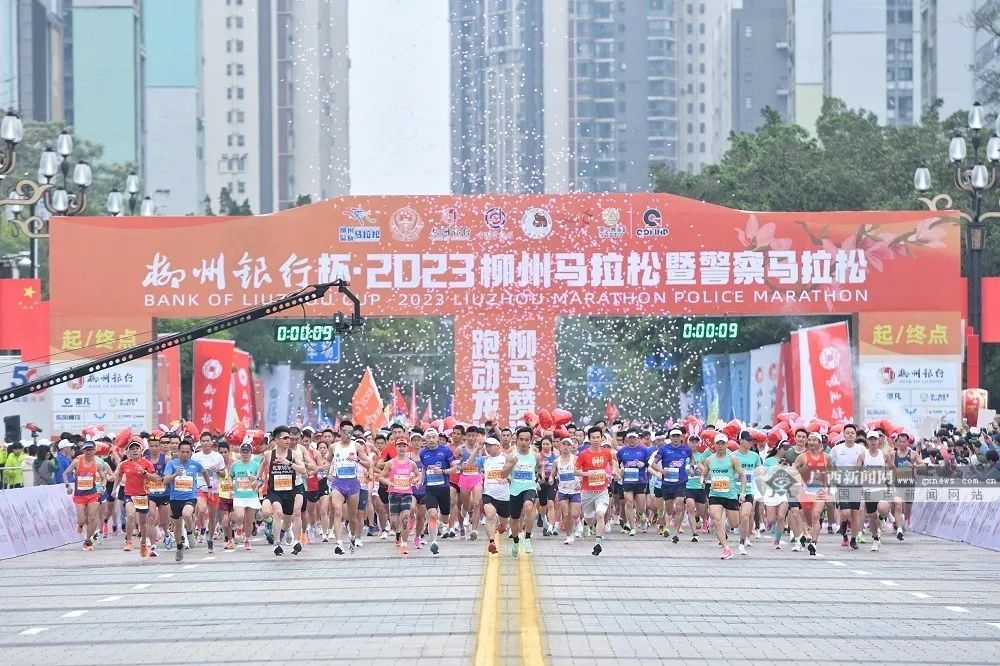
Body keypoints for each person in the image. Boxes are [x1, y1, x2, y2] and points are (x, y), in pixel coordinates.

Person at [259, 426, 310, 556]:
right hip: (274, 491)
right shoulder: (269, 454)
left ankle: (285, 532)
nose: (288, 440)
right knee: (277, 512)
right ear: (277, 440)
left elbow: (303, 470)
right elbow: (263, 464)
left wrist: (288, 463)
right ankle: (277, 544)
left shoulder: (294, 455)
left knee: (287, 522)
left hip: (290, 492)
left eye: (289, 438)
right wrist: (257, 479)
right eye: (285, 438)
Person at [162, 440, 212, 562]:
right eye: (182, 452)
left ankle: (190, 533)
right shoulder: (172, 464)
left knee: (186, 514)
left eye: (187, 452)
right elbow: (165, 481)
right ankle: (179, 547)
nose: (185, 454)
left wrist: (209, 486)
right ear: (178, 452)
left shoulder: (195, 464)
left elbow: (205, 472)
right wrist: (175, 474)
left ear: (191, 453)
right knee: (177, 526)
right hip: (175, 498)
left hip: (190, 496)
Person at [328, 425, 373, 554]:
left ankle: (353, 537)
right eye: (345, 432)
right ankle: (339, 543)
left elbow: (368, 464)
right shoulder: (333, 447)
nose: (348, 434)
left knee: (353, 518)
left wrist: (357, 459)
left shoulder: (356, 446)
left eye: (350, 432)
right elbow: (328, 461)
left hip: (353, 484)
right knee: (337, 511)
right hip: (338, 483)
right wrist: (329, 472)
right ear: (340, 432)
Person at [576, 426, 620, 556]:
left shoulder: (607, 453)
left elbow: (612, 464)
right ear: (589, 439)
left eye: (598, 437)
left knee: (600, 515)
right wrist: (587, 474)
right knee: (590, 519)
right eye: (593, 437)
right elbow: (575, 470)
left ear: (602, 438)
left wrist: (614, 472)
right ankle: (585, 523)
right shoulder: (583, 454)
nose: (596, 440)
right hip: (587, 492)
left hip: (602, 490)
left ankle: (598, 542)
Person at [701, 433, 746, 560]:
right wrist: (702, 481)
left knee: (734, 523)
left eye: (723, 443)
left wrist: (742, 492)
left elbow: (742, 475)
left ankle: (725, 525)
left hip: (730, 494)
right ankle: (726, 548)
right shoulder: (709, 460)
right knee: (715, 520)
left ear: (726, 445)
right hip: (715, 494)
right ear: (714, 445)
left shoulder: (732, 459)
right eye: (718, 443)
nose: (720, 446)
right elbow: (704, 474)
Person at [64, 440, 113, 551]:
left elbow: (103, 478)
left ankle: (88, 540)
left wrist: (103, 487)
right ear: (83, 451)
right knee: (81, 520)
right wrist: (67, 485)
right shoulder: (77, 462)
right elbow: (65, 473)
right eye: (87, 450)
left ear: (95, 451)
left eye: (91, 450)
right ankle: (80, 525)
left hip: (92, 494)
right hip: (79, 495)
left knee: (92, 517)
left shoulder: (97, 464)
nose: (89, 452)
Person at [650, 428, 694, 544]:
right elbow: (653, 464)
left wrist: (691, 467)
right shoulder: (664, 449)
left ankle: (676, 532)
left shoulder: (686, 449)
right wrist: (661, 470)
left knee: (679, 505)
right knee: (669, 510)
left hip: (681, 482)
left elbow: (692, 459)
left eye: (677, 436)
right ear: (670, 438)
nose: (675, 438)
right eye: (673, 436)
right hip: (667, 483)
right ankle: (667, 526)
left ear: (681, 438)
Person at [114, 439, 156, 557]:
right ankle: (129, 542)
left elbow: (154, 478)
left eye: (137, 449)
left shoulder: (147, 463)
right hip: (129, 494)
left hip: (142, 495)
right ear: (128, 452)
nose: (135, 451)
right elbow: (119, 476)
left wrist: (144, 473)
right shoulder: (124, 464)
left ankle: (143, 544)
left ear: (141, 451)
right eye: (132, 449)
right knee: (131, 515)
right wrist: (114, 488)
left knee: (142, 522)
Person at [419, 428, 458, 555]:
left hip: (444, 488)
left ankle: (443, 524)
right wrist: (421, 480)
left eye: (433, 437)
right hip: (430, 489)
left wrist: (442, 471)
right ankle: (433, 542)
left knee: (445, 517)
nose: (431, 440)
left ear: (437, 439)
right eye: (428, 437)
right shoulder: (423, 453)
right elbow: (424, 468)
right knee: (432, 514)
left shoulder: (446, 450)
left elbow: (454, 468)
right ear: (425, 440)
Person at [380, 436, 420, 555]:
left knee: (405, 519)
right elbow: (381, 477)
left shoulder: (411, 463)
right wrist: (388, 482)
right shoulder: (390, 463)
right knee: (394, 524)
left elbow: (418, 475)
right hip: (393, 494)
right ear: (395, 447)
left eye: (404, 446)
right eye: (399, 446)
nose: (402, 448)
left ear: (407, 447)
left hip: (406, 494)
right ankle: (397, 534)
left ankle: (404, 544)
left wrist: (415, 480)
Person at [794, 433, 831, 556]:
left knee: (816, 515)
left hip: (820, 491)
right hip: (806, 492)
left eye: (814, 440)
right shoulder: (802, 457)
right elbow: (793, 470)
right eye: (809, 440)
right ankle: (807, 532)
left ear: (820, 443)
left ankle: (814, 543)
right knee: (808, 519)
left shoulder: (826, 457)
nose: (811, 442)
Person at [509, 426, 542, 557]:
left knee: (529, 507)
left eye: (527, 440)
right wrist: (510, 465)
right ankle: (516, 541)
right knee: (514, 519)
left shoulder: (535, 456)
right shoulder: (511, 455)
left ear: (531, 440)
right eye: (521, 439)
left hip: (529, 487)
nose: (524, 442)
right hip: (514, 490)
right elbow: (503, 473)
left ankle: (527, 537)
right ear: (517, 440)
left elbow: (539, 466)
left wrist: (541, 475)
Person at [480, 437, 515, 555]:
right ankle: (492, 542)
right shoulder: (485, 459)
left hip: (504, 496)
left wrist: (508, 479)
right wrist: (477, 449)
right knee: (490, 516)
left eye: (490, 446)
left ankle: (503, 525)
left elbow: (514, 473)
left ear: (497, 446)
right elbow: (469, 463)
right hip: (489, 494)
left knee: (504, 521)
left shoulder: (506, 458)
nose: (487, 448)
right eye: (486, 446)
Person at [192, 432, 225, 554]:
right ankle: (201, 526)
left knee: (212, 516)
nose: (205, 443)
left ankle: (210, 539)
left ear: (211, 442)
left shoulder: (218, 457)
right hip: (200, 488)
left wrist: (217, 471)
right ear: (200, 443)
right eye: (203, 441)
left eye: (207, 441)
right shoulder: (195, 457)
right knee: (201, 509)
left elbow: (223, 474)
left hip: (213, 490)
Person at [830, 426, 863, 550]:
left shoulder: (861, 449)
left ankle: (853, 539)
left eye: (852, 433)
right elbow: (829, 463)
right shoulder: (836, 449)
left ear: (855, 435)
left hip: (856, 485)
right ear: (843, 435)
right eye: (847, 433)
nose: (850, 435)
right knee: (845, 512)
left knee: (855, 513)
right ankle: (844, 532)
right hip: (842, 484)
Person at [617, 430, 649, 537]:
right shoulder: (622, 451)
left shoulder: (644, 450)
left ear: (637, 439)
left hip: (641, 480)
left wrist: (643, 464)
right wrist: (620, 470)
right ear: (626, 439)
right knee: (629, 502)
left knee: (641, 506)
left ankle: (642, 516)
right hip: (628, 480)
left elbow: (650, 463)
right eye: (630, 438)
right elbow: (617, 464)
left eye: (634, 438)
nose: (632, 440)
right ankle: (632, 527)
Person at [734, 433, 762, 556]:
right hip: (734, 491)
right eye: (748, 440)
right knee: (735, 520)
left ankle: (742, 542)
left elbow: (760, 471)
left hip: (749, 491)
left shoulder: (755, 456)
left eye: (752, 441)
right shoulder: (733, 456)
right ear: (741, 441)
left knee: (746, 516)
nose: (751, 443)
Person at [231, 442, 262, 550]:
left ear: (251, 453)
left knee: (249, 520)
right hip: (239, 495)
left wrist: (256, 481)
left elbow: (261, 480)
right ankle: (239, 527)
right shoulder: (235, 465)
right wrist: (231, 484)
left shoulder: (256, 465)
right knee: (239, 515)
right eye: (243, 452)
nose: (245, 454)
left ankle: (248, 539)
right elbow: (230, 476)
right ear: (240, 453)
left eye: (247, 452)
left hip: (251, 496)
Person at [552, 437, 581, 544]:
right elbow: (552, 474)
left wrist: (581, 482)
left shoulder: (576, 459)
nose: (566, 447)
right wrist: (550, 479)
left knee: (574, 514)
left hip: (575, 490)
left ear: (571, 447)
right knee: (565, 513)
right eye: (563, 444)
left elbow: (583, 471)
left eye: (568, 445)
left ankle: (578, 522)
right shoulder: (556, 461)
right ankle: (569, 536)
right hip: (563, 491)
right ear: (560, 447)